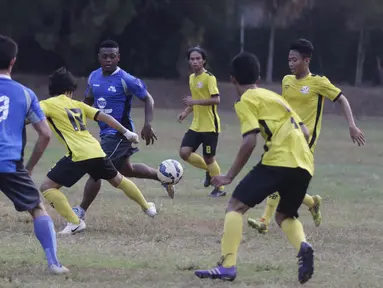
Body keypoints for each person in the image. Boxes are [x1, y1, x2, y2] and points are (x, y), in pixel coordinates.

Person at [194, 52, 315, 284]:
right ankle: (304, 245)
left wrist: (229, 176)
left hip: (278, 160)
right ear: (258, 77)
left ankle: (227, 266)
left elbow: (250, 140)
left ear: (233, 80)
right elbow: (306, 132)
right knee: (284, 215)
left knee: (235, 207)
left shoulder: (245, 100)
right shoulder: (275, 97)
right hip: (304, 162)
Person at [247, 38, 365, 234]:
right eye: (289, 60)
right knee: (282, 180)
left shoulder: (318, 82)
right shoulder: (286, 81)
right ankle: (311, 202)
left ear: (306, 60)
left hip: (305, 140)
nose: (291, 63)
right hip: (284, 137)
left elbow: (342, 99)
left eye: (295, 60)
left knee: (280, 178)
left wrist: (352, 125)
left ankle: (265, 221)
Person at [33, 67, 157, 235]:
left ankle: (75, 222)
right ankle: (147, 206)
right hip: (96, 150)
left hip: (77, 154)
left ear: (52, 89)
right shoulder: (78, 104)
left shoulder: (47, 104)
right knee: (118, 180)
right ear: (71, 89)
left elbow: (31, 115)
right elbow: (105, 117)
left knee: (47, 187)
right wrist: (126, 132)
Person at [71, 40, 174, 222]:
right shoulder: (93, 77)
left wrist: (147, 124)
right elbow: (86, 102)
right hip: (106, 133)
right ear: (99, 58)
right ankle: (163, 178)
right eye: (105, 56)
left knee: (96, 168)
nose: (108, 60)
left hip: (121, 134)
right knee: (127, 169)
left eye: (112, 56)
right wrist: (77, 122)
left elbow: (148, 99)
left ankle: (80, 211)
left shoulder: (126, 79)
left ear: (118, 57)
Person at [0, 35, 68, 274]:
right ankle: (54, 263)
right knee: (37, 208)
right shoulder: (27, 94)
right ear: (13, 61)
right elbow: (45, 135)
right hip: (10, 163)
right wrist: (28, 168)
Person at [178, 46, 225, 197]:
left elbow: (216, 99)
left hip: (210, 126)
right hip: (196, 125)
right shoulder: (192, 78)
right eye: (192, 59)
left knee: (209, 158)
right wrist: (186, 112)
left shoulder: (209, 77)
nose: (195, 61)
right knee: (184, 153)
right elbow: (194, 100)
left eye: (198, 59)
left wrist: (195, 101)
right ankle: (209, 170)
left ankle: (220, 189)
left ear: (204, 60)